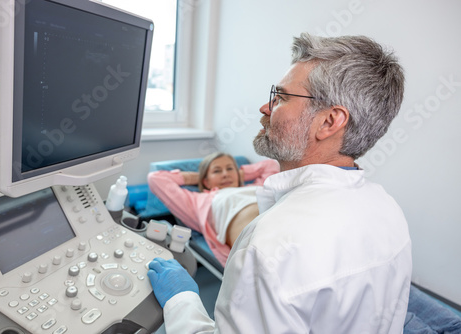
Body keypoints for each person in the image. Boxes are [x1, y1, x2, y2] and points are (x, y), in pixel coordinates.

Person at [147, 33, 412, 333]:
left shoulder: (268, 247)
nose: (265, 107)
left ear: (328, 122)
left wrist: (181, 301)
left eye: (282, 97)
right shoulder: (388, 208)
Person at [147, 152, 279, 266]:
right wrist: (198, 177)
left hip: (282, 214)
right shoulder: (198, 201)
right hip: (258, 234)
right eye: (217, 171)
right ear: (206, 182)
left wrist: (238, 176)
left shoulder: (257, 186)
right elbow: (155, 178)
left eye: (230, 169)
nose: (225, 174)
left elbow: (272, 165)